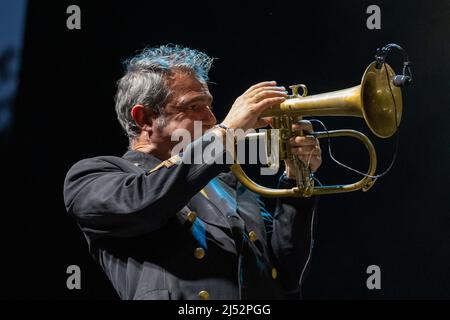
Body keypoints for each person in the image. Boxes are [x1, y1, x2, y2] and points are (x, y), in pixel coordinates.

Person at [63, 44, 322, 300]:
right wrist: (227, 134)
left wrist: (296, 176)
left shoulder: (226, 180)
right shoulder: (91, 177)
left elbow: (286, 277)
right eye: (193, 107)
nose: (211, 119)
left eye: (209, 105)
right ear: (145, 119)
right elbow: (147, 202)